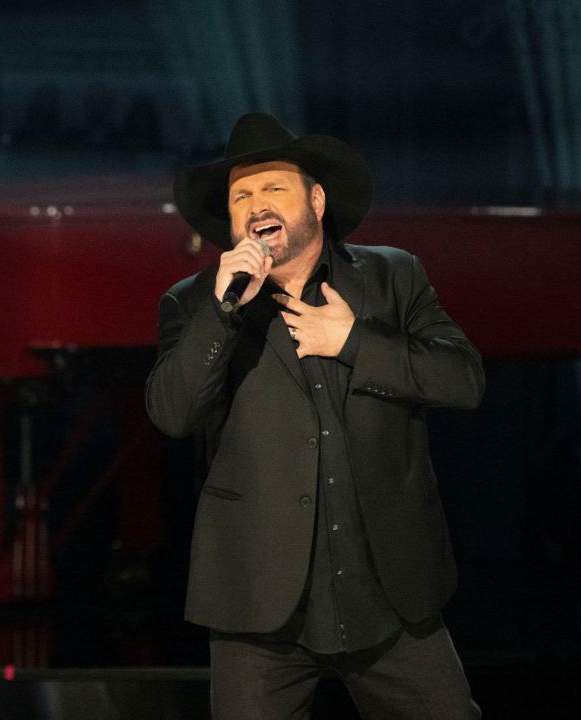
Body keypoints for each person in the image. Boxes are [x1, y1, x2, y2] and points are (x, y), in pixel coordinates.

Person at [145, 112, 485, 719]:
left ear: (318, 200)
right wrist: (224, 313)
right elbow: (171, 413)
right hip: (259, 607)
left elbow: (463, 381)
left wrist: (355, 341)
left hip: (391, 597)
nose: (255, 204)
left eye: (272, 187)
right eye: (240, 195)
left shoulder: (392, 276)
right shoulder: (196, 303)